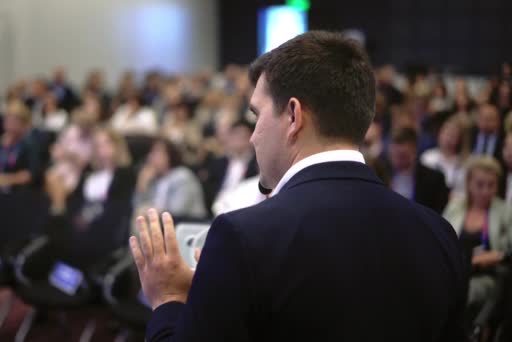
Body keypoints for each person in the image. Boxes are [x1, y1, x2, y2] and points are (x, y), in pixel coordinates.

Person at [129, 31, 467, 341]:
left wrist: (169, 300)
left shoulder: (243, 236)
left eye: (256, 115)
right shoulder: (438, 234)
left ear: (293, 116)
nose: (253, 135)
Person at [45, 126, 135, 264]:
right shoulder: (89, 175)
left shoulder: (125, 173)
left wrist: (87, 217)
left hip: (104, 226)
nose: (102, 148)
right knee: (54, 221)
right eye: (98, 145)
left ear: (117, 146)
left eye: (107, 143)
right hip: (79, 222)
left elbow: (118, 207)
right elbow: (75, 201)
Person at [443, 156, 512, 308]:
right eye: (480, 185)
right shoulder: (455, 207)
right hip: (453, 271)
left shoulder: (505, 211)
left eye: (491, 185)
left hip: (485, 277)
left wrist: (498, 256)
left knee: (463, 292)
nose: (486, 191)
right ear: (468, 184)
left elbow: (508, 250)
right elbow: (441, 240)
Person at [134, 138, 206, 220]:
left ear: (169, 155)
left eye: (156, 153)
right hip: (162, 225)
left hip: (189, 225)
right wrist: (142, 185)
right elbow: (136, 207)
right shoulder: (154, 179)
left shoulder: (182, 176)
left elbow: (178, 211)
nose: (150, 157)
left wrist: (151, 212)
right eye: (150, 153)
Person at [388, 127, 450, 213]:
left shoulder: (434, 180)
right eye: (394, 155)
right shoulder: (382, 175)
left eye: (402, 156)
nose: (397, 161)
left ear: (414, 151)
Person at [201, 119, 258, 212]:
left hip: (244, 208)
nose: (237, 140)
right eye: (234, 135)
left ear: (251, 138)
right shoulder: (218, 164)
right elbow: (208, 191)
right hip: (216, 208)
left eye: (242, 136)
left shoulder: (257, 164)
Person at [420, 114, 470, 197]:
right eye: (446, 133)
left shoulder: (467, 162)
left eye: (453, 136)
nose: (448, 138)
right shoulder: (427, 157)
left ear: (460, 139)